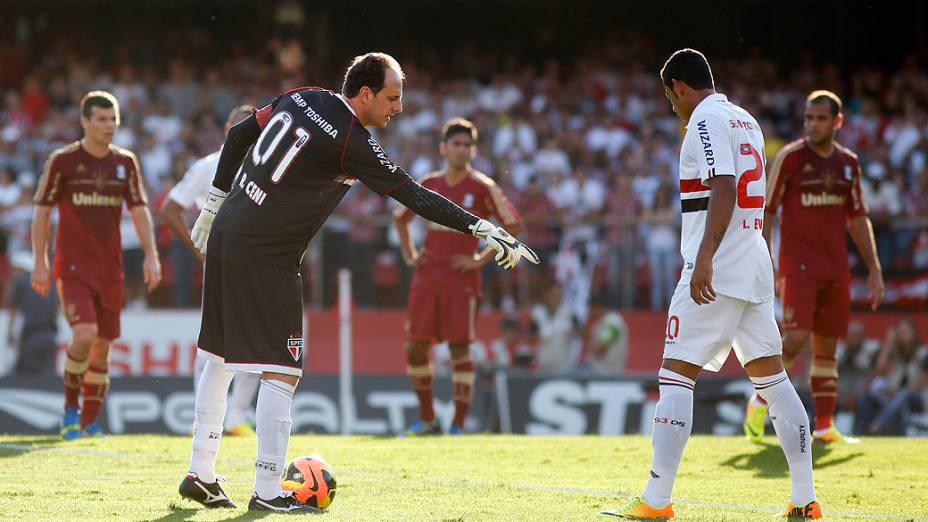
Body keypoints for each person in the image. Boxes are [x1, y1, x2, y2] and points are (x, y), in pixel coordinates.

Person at [178, 53, 538, 512]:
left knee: (218, 356)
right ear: (364, 93)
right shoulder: (353, 140)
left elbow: (238, 134)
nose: (399, 108)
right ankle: (268, 491)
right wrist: (479, 227)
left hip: (229, 229)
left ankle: (201, 472)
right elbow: (413, 194)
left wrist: (213, 203)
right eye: (392, 97)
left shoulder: (303, 95)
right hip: (267, 253)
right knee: (282, 371)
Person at [605, 49, 820, 520]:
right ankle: (804, 497)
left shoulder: (704, 119)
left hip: (716, 266)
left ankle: (656, 500)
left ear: (680, 87)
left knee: (675, 374)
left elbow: (723, 186)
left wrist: (703, 259)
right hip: (752, 263)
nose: (672, 107)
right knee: (775, 382)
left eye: (669, 97)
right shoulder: (745, 119)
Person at [744, 90, 884, 444]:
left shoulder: (848, 164)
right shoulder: (790, 159)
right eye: (808, 118)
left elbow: (857, 217)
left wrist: (874, 268)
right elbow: (768, 209)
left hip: (835, 267)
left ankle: (824, 426)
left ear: (837, 122)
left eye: (821, 118)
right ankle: (759, 401)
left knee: (826, 347)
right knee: (794, 339)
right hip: (798, 264)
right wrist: (769, 259)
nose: (812, 124)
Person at [31, 90, 161, 440]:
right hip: (72, 267)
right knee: (85, 335)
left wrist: (151, 254)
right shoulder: (63, 161)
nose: (109, 126)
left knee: (103, 344)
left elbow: (139, 210)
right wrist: (40, 262)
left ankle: (90, 420)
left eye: (113, 119)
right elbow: (41, 213)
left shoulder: (125, 162)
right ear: (84, 121)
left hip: (111, 268)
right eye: (101, 119)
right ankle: (70, 410)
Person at [393, 117, 522, 436]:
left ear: (473, 150)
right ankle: (427, 419)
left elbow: (513, 224)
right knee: (415, 347)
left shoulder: (483, 187)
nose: (462, 150)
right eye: (456, 144)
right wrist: (410, 255)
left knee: (459, 349)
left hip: (462, 283)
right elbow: (400, 218)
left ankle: (458, 425)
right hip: (426, 279)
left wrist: (480, 260)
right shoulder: (429, 183)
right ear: (443, 147)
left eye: (467, 145)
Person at [160, 105, 261, 437]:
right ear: (229, 130)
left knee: (256, 340)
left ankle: (237, 419)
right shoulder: (208, 167)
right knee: (212, 343)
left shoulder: (269, 166)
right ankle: (201, 418)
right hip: (221, 263)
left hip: (259, 264)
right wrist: (199, 250)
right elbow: (170, 208)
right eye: (242, 127)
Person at [856, 318, 928, 435]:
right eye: (899, 333)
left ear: (914, 334)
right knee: (865, 398)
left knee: (904, 393)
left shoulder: (924, 353)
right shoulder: (894, 352)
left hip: (918, 399)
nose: (901, 336)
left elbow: (917, 387)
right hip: (893, 396)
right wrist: (888, 343)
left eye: (905, 332)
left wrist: (897, 393)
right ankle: (862, 432)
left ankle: (878, 425)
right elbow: (879, 369)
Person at [4, 251, 58, 375]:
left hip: (31, 337)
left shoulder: (21, 281)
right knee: (47, 380)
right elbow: (56, 310)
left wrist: (10, 332)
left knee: (26, 378)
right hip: (50, 337)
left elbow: (11, 306)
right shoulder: (50, 283)